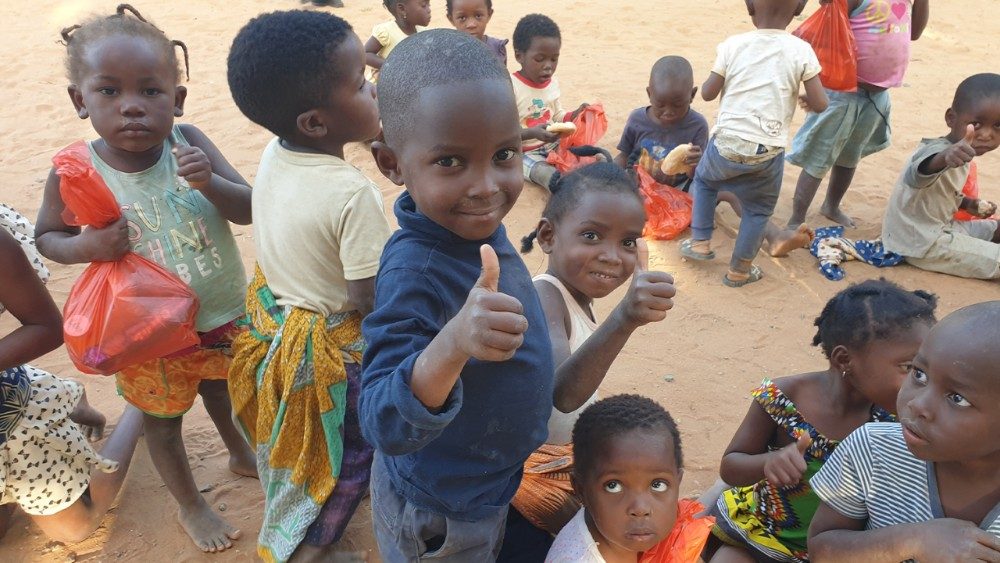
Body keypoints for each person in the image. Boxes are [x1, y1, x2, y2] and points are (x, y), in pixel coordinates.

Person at [34, 5, 255, 553]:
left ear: (176, 99)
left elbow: (250, 209)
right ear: (80, 100)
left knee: (223, 388)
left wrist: (211, 184)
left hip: (221, 313)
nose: (132, 105)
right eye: (109, 91)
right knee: (162, 420)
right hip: (146, 334)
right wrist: (86, 246)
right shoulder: (76, 170)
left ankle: (239, 452)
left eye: (151, 91)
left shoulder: (189, 142)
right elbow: (47, 238)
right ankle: (190, 504)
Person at [360, 29, 554, 562]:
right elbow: (381, 419)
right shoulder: (415, 271)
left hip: (485, 485)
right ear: (392, 163)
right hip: (439, 512)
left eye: (504, 154)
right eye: (450, 161)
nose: (486, 185)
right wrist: (453, 342)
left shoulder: (472, 226)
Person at [225, 10, 390, 563]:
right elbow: (368, 300)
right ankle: (312, 551)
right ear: (316, 123)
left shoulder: (277, 151)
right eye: (361, 84)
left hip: (277, 325)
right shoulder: (352, 194)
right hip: (330, 357)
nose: (374, 89)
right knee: (347, 460)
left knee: (307, 447)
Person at [706, 279, 937, 563]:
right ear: (844, 360)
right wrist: (768, 463)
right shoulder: (784, 397)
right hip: (765, 535)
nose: (921, 384)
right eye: (909, 368)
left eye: (923, 371)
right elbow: (731, 466)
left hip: (842, 550)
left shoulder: (901, 419)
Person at [507, 163, 675, 548]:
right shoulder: (546, 297)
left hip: (557, 464)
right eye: (591, 236)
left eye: (628, 242)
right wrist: (624, 319)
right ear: (548, 236)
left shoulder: (577, 296)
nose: (612, 256)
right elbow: (563, 394)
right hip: (529, 485)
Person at [808, 301, 1000, 561]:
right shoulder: (872, 450)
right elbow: (821, 550)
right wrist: (913, 540)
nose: (917, 404)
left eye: (957, 398)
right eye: (919, 374)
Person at [0, 206, 143, 545]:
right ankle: (64, 398)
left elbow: (46, 326)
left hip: (7, 413)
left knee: (77, 526)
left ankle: (142, 406)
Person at [681, 0, 828, 287]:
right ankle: (739, 270)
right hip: (767, 151)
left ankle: (700, 242)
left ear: (750, 6)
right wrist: (806, 99)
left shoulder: (733, 45)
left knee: (706, 183)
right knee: (758, 211)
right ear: (798, 9)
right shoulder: (801, 50)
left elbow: (708, 93)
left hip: (726, 144)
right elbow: (821, 103)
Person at [619, 55, 811, 257]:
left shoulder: (697, 125)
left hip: (682, 187)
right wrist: (615, 174)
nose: (668, 112)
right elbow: (623, 155)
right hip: (644, 188)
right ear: (649, 94)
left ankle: (775, 236)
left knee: (731, 192)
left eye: (677, 105)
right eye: (660, 105)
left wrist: (694, 163)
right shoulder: (637, 119)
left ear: (692, 95)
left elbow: (700, 175)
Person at [786, 0, 930, 229]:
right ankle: (796, 220)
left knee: (850, 156)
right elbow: (829, 24)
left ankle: (831, 206)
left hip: (876, 97)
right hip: (841, 93)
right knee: (818, 157)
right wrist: (817, 88)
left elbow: (915, 33)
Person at [546, 394, 713, 562]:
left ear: (678, 482)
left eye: (658, 485)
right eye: (613, 486)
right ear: (581, 490)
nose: (640, 509)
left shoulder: (613, 536)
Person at [881, 73, 1000, 280]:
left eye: (998, 126)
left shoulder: (960, 152)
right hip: (921, 243)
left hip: (941, 228)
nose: (987, 135)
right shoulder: (937, 152)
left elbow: (938, 193)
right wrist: (944, 157)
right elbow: (920, 174)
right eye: (976, 124)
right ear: (951, 118)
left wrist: (968, 204)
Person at [512, 14, 589, 191]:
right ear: (519, 56)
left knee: (586, 154)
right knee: (541, 171)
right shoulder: (511, 87)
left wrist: (575, 114)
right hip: (525, 151)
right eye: (540, 59)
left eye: (554, 59)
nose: (548, 66)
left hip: (553, 144)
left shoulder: (552, 83)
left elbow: (557, 115)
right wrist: (531, 133)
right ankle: (558, 183)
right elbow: (503, 133)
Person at [364, 0, 431, 83]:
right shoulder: (387, 31)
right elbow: (366, 54)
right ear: (402, 9)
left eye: (429, 5)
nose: (429, 10)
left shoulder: (424, 33)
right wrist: (392, 67)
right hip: (381, 87)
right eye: (423, 5)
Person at [447, 0, 508, 66]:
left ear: (489, 14)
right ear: (451, 19)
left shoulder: (497, 48)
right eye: (462, 18)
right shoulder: (447, 53)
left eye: (478, 16)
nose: (471, 24)